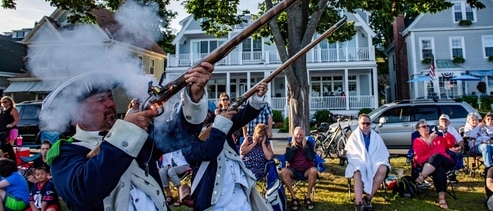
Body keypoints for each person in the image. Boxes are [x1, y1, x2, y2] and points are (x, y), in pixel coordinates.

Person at [44, 63, 213, 211]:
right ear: (76, 113)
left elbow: (180, 136)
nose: (111, 103)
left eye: (110, 97)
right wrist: (126, 131)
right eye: (101, 99)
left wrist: (194, 96)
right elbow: (84, 191)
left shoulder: (135, 135)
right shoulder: (65, 153)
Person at [160, 82, 271, 211]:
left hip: (239, 191)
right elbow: (209, 151)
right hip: (215, 199)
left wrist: (257, 97)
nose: (204, 112)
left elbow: (243, 116)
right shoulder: (186, 139)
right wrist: (220, 124)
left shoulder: (219, 123)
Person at [345, 114, 390, 211]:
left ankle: (368, 198)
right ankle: (358, 202)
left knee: (383, 168)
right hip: (358, 160)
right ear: (359, 124)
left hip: (374, 161)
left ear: (370, 124)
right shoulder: (354, 136)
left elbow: (382, 151)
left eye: (368, 123)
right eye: (363, 123)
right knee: (358, 170)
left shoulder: (376, 136)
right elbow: (351, 152)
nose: (365, 125)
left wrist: (375, 161)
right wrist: (363, 161)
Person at [412, 119, 456, 209]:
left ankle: (422, 176)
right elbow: (419, 153)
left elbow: (451, 143)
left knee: (437, 156)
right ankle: (441, 198)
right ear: (418, 130)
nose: (427, 128)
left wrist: (444, 131)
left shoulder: (438, 138)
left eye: (428, 126)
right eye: (424, 126)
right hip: (428, 164)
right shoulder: (418, 140)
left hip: (445, 161)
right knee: (439, 170)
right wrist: (429, 141)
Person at [280, 126, 318, 211]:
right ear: (294, 136)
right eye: (297, 134)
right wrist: (293, 147)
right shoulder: (290, 145)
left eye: (301, 134)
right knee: (284, 171)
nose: (299, 136)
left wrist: (305, 147)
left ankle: (307, 197)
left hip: (306, 171)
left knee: (314, 170)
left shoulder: (309, 144)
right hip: (294, 171)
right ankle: (294, 198)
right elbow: (288, 159)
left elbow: (311, 157)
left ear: (304, 135)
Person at [0, 96, 19, 161]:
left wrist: (11, 124)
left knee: (7, 146)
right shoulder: (2, 110)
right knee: (3, 147)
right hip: (2, 130)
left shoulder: (12, 110)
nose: (3, 103)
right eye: (2, 102)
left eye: (5, 102)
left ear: (9, 102)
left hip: (10, 131)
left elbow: (17, 120)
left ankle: (13, 161)